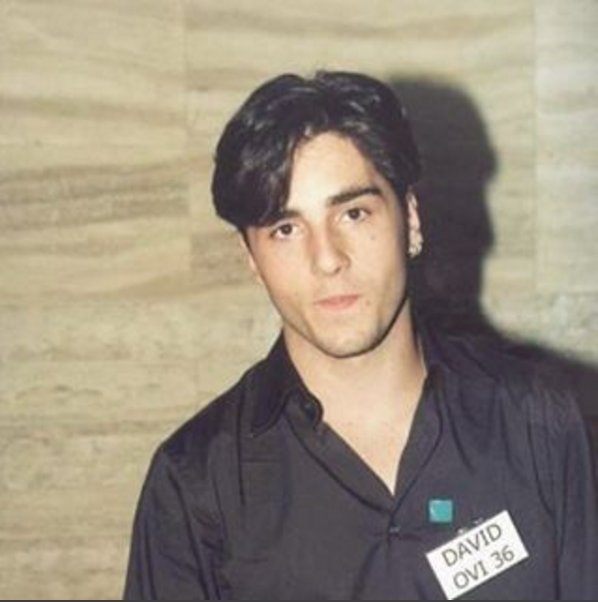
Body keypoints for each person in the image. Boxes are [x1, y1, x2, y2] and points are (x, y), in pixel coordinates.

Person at [123, 70, 598, 600]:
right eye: (286, 229)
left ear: (410, 219)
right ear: (251, 259)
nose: (327, 258)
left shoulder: (538, 422)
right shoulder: (196, 485)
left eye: (353, 213)